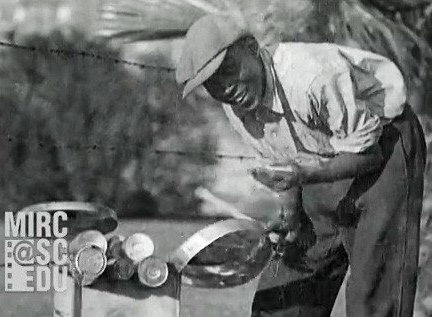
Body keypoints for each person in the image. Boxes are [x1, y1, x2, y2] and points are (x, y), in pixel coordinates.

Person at [176, 13, 426, 317]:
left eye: (229, 69)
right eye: (213, 84)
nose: (226, 87)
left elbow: (368, 154)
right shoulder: (238, 106)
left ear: (253, 48)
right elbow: (285, 162)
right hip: (319, 162)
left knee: (374, 290)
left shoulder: (312, 75)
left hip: (381, 143)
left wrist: (306, 174)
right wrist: (291, 214)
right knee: (285, 291)